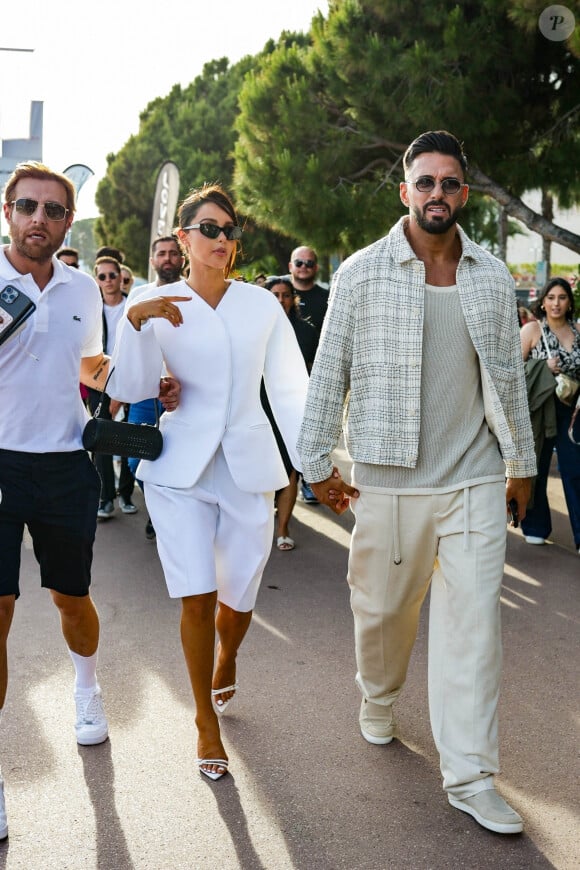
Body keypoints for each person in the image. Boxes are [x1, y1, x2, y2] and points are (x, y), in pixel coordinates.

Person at [297, 130, 536, 835]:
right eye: (425, 182)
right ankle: (379, 695)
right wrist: (316, 464)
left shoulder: (491, 275)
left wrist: (519, 462)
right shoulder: (362, 273)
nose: (438, 193)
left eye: (450, 182)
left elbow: (506, 380)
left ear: (465, 193)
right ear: (405, 192)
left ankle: (470, 775)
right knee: (382, 616)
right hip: (387, 481)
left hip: (472, 479)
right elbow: (328, 373)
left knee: (473, 634)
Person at [107, 183, 308, 781]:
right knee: (195, 594)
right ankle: (204, 720)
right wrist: (134, 324)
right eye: (210, 229)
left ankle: (229, 657)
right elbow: (134, 389)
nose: (223, 240)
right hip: (178, 467)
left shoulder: (260, 306)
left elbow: (291, 390)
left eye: (230, 230)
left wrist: (314, 463)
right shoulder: (152, 298)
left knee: (239, 594)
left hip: (249, 465)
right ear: (183, 238)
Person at [0, 162, 113, 841]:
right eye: (27, 206)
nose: (39, 217)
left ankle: (87, 687)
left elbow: (89, 367)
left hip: (67, 465)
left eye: (53, 209)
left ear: (69, 221)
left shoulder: (82, 290)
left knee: (71, 600)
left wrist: (135, 384)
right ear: (7, 211)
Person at [126, 235, 185, 540]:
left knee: (179, 456)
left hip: (184, 394)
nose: (168, 258)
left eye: (174, 253)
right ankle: (156, 507)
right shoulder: (138, 295)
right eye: (161, 253)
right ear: (152, 261)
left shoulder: (194, 295)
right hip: (144, 393)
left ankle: (170, 515)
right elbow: (124, 344)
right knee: (137, 457)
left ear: (182, 258)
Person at [520, 277, 580, 553]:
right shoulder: (532, 330)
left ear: (569, 303)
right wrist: (542, 366)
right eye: (551, 297)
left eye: (562, 298)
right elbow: (511, 371)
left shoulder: (578, 331)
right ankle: (535, 526)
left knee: (575, 470)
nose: (556, 303)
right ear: (542, 302)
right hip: (541, 408)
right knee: (539, 467)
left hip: (573, 410)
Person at [263, 276, 318, 549]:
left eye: (285, 295)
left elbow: (315, 371)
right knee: (264, 470)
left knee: (290, 471)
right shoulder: (255, 329)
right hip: (259, 408)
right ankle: (259, 527)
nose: (280, 300)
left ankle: (282, 529)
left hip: (295, 409)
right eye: (274, 295)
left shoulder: (307, 331)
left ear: (293, 299)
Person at [86, 257, 137, 519]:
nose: (108, 281)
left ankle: (126, 494)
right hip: (100, 382)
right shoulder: (91, 309)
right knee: (102, 440)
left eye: (112, 275)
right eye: (102, 276)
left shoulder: (134, 304)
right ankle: (105, 498)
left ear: (121, 277)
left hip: (134, 379)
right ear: (97, 280)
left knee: (130, 439)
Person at [289, 246, 328, 504]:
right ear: (290, 265)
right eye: (299, 262)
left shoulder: (327, 296)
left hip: (313, 377)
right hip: (276, 378)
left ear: (316, 267)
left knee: (311, 431)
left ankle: (310, 480)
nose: (304, 266)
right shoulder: (275, 290)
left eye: (309, 263)